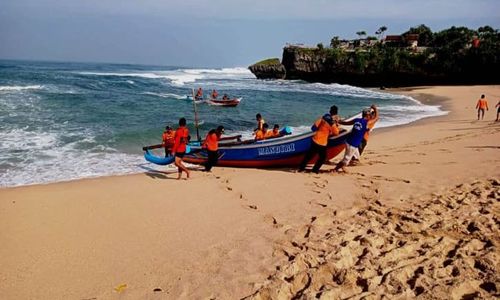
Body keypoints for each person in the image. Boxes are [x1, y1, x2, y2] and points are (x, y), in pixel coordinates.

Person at [298, 108, 340, 173]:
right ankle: (315, 170)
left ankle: (301, 169)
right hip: (322, 143)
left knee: (309, 156)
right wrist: (336, 125)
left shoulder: (324, 117)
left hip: (315, 139)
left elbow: (313, 127)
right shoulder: (332, 123)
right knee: (323, 158)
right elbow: (336, 133)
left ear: (330, 111)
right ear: (336, 114)